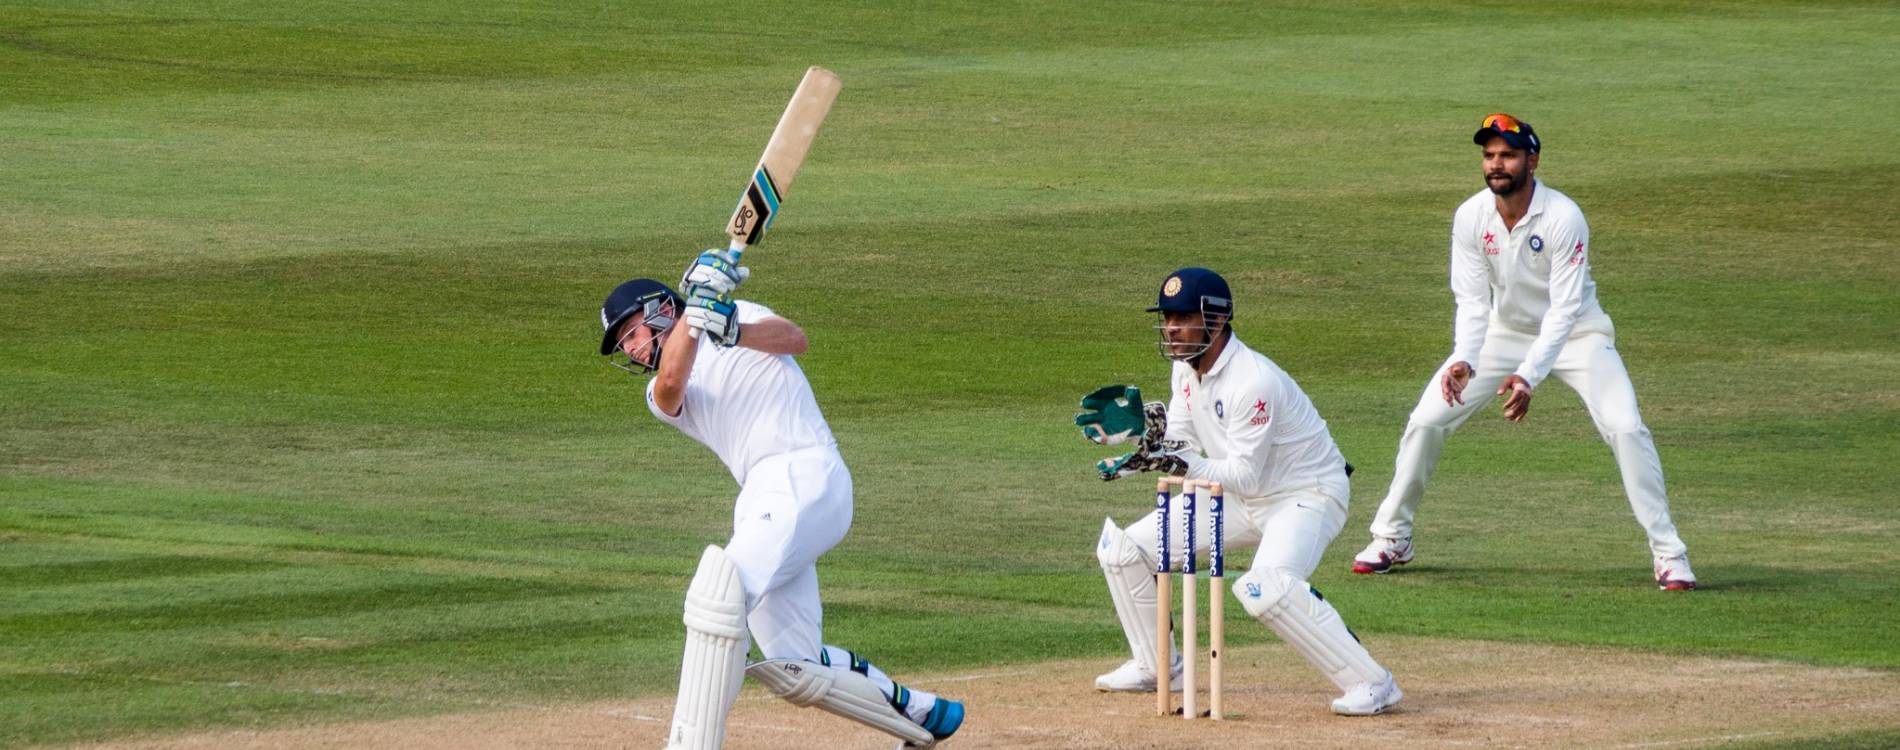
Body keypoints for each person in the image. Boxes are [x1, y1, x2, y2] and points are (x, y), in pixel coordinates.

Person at [598, 248, 963, 749]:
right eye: (623, 343)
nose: (632, 349)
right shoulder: (659, 393)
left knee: (718, 596)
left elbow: (796, 340)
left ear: (660, 309)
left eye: (631, 332)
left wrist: (728, 325)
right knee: (796, 667)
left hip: (807, 472)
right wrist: (700, 314)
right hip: (761, 496)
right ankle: (924, 716)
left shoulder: (742, 314)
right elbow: (672, 383)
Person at [1349, 113, 1695, 591]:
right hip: (1501, 333)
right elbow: (1471, 301)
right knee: (1427, 419)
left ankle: (1669, 553)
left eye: (1508, 155)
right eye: (1489, 155)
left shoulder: (1563, 217)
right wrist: (1464, 360)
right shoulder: (1470, 216)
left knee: (1627, 427)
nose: (1497, 164)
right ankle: (1393, 536)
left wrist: (1528, 375)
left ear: (1532, 159)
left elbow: (1564, 308)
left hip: (1578, 335)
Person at [1077, 267, 1402, 716]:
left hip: (1305, 495)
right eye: (1167, 318)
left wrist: (1176, 460)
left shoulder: (1254, 380)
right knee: (1122, 550)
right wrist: (1146, 443)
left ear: (1216, 319)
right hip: (1238, 495)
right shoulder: (1183, 370)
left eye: (1183, 317)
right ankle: (1156, 667)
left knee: (1264, 588)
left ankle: (1372, 682)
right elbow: (1184, 443)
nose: (1171, 328)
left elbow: (1243, 474)